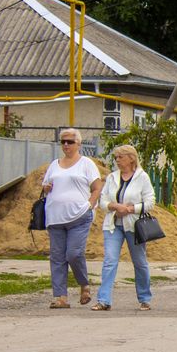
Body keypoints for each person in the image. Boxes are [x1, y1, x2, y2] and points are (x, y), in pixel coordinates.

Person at [43, 127, 103, 309]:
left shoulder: (86, 163)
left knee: (74, 254)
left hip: (79, 216)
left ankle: (84, 284)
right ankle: (61, 296)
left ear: (79, 144)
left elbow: (97, 187)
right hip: (55, 217)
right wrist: (47, 187)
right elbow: (46, 184)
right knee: (57, 257)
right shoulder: (54, 164)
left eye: (70, 141)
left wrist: (90, 204)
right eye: (63, 142)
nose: (66, 145)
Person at [92, 144, 155, 312]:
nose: (117, 161)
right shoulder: (112, 177)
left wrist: (130, 209)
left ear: (131, 158)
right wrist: (115, 206)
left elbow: (150, 202)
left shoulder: (142, 177)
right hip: (113, 225)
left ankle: (144, 298)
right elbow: (103, 202)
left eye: (120, 157)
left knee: (139, 262)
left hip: (134, 226)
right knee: (109, 261)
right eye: (116, 158)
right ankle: (103, 300)